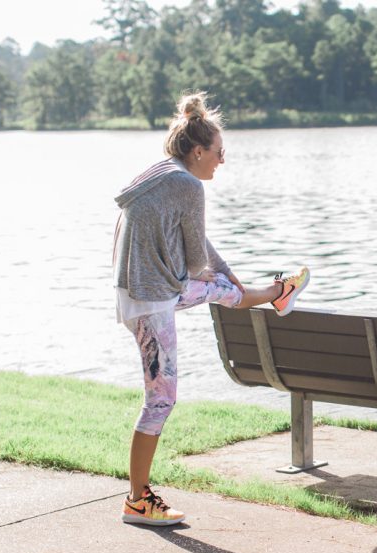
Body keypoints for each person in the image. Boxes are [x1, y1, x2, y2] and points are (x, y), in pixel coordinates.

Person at [113, 91, 310, 526]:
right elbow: (196, 261)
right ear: (199, 151)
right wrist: (212, 275)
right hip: (152, 302)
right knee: (161, 399)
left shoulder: (164, 173)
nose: (223, 160)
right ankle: (137, 500)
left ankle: (276, 294)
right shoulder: (188, 185)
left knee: (221, 287)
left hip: (145, 291)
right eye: (220, 153)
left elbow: (201, 249)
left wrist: (229, 277)